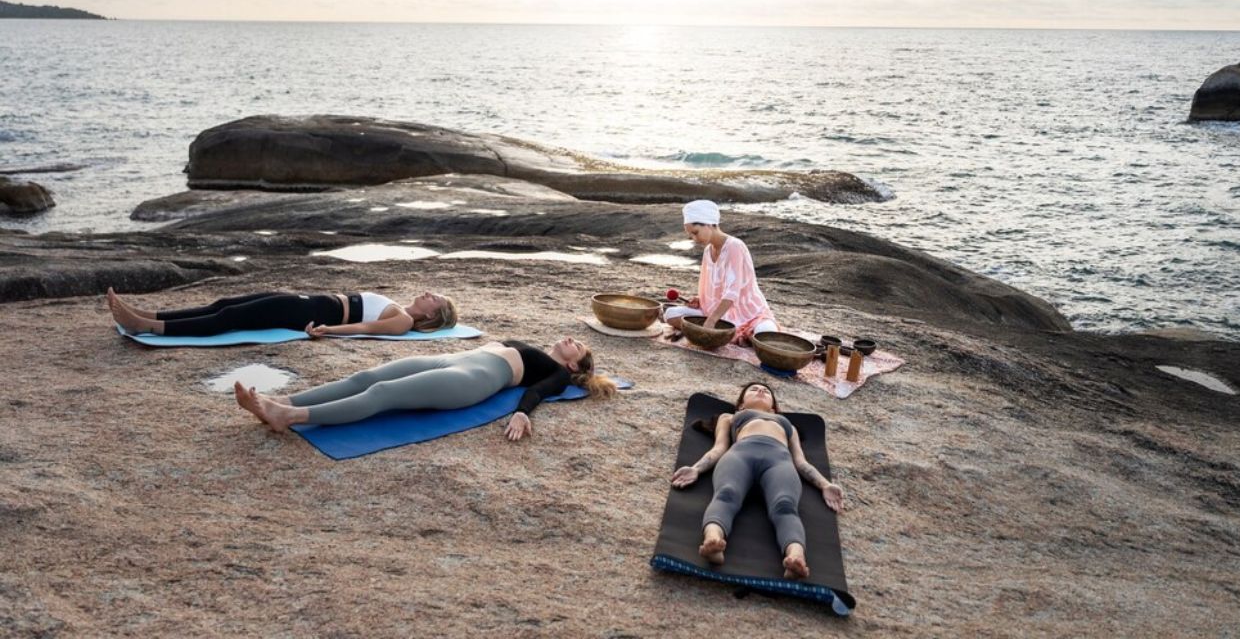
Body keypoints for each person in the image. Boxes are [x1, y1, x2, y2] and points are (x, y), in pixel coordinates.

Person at [232, 337, 615, 441]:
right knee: (368, 376)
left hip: (472, 380)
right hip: (452, 358)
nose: (571, 340)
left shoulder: (559, 374)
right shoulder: (531, 344)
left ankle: (289, 417)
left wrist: (521, 412)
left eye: (578, 347)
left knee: (382, 395)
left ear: (572, 365)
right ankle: (278, 401)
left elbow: (537, 393)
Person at [671, 382, 844, 580]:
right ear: (741, 406)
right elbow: (719, 448)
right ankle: (713, 541)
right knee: (726, 494)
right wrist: (695, 469)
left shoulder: (788, 425)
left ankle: (796, 558)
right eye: (753, 390)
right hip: (740, 455)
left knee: (785, 506)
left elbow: (801, 462)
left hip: (779, 461)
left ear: (773, 408)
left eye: (766, 391)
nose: (761, 391)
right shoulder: (729, 417)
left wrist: (825, 484)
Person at [106, 287, 457, 338]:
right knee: (225, 305)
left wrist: (325, 331)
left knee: (230, 319)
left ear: (431, 317)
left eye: (434, 300)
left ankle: (145, 327)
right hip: (309, 300)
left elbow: (366, 327)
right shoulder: (403, 307)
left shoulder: (406, 320)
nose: (427, 294)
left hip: (311, 311)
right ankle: (149, 313)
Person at [663, 199, 778, 345]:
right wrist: (700, 299)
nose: (694, 238)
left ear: (709, 223)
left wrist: (711, 321)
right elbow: (712, 286)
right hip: (717, 313)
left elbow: (732, 292)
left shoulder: (734, 246)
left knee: (766, 334)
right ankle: (734, 334)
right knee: (671, 315)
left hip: (748, 315)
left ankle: (743, 332)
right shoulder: (707, 251)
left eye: (695, 232)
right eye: (691, 235)